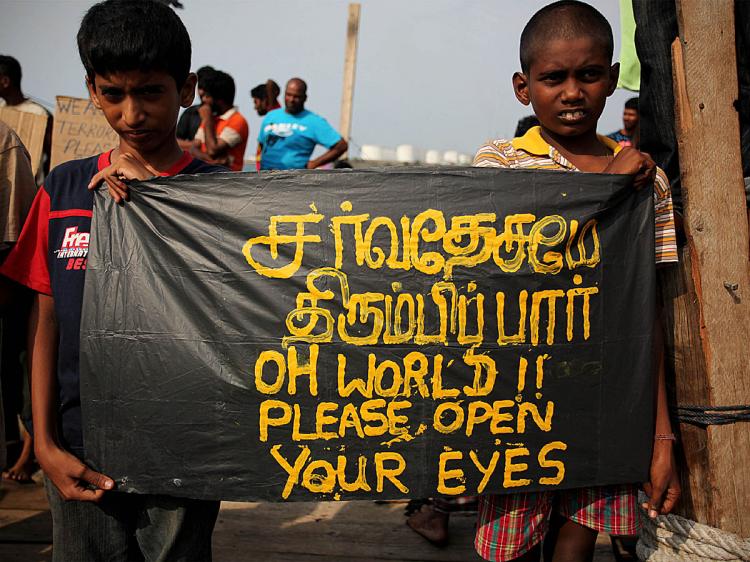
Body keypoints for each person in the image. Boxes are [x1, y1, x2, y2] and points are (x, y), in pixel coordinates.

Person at [0, 1, 226, 560]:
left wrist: (154, 197)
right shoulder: (65, 190)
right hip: (80, 445)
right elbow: (44, 317)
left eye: (150, 92)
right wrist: (45, 443)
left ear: (187, 88)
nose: (131, 115)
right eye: (112, 94)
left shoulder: (221, 198)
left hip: (188, 447)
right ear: (91, 88)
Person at [472, 2, 680, 560]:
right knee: (507, 547)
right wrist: (608, 186)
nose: (572, 92)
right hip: (514, 402)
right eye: (553, 77)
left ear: (612, 79)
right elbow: (510, 269)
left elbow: (647, 312)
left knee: (575, 547)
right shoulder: (500, 164)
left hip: (605, 402)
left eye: (588, 75)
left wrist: (661, 435)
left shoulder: (647, 179)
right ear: (523, 87)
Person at [0, 121, 37, 484]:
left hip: (11, 287)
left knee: (27, 378)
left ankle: (28, 451)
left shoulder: (4, 141)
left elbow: (16, 241)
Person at [258, 78, 348, 170]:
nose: (291, 99)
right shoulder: (271, 116)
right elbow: (262, 144)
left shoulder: (313, 121)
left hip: (293, 180)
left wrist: (314, 163)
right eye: (288, 95)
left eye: (296, 96)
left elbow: (341, 146)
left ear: (305, 98)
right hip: (265, 176)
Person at [0, 55, 53, 180]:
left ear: (5, 82)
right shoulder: (1, 110)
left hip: (31, 187)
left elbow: (52, 156)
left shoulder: (39, 113)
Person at [192, 69, 249, 171]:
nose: (203, 100)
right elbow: (194, 148)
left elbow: (213, 150)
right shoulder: (212, 119)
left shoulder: (238, 121)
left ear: (219, 100)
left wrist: (207, 119)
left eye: (207, 96)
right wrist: (213, 163)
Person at [176, 65, 215, 150]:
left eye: (206, 87)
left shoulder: (222, 113)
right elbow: (176, 141)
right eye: (200, 87)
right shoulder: (191, 112)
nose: (202, 92)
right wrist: (193, 145)